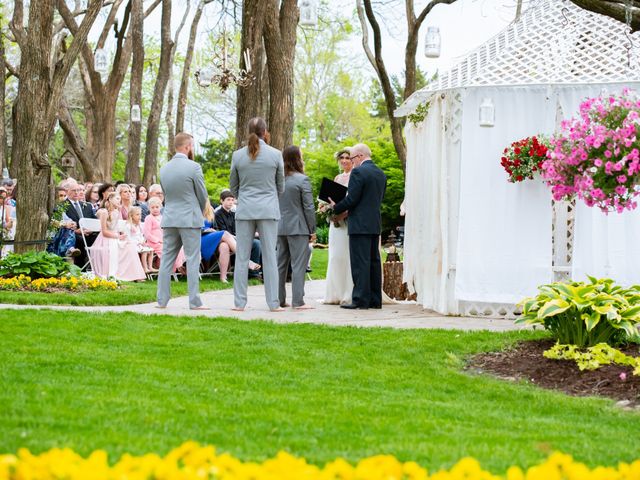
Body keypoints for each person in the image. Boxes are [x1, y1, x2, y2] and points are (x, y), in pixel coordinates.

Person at [229, 117, 285, 311]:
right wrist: (268, 197)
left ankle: (239, 303)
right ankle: (273, 303)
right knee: (270, 257)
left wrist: (244, 196)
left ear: (248, 132)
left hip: (245, 209)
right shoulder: (276, 154)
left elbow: (233, 187)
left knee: (242, 257)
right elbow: (281, 186)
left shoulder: (237, 156)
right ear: (265, 131)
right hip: (268, 209)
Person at [329, 143, 387, 310]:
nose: (351, 162)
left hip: (359, 224)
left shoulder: (358, 172)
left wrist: (335, 206)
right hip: (374, 223)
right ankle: (375, 300)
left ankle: (360, 299)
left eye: (352, 158)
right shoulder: (380, 173)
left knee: (360, 262)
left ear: (360, 156)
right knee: (374, 262)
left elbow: (352, 199)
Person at [156, 132, 209, 310]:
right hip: (189, 218)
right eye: (191, 145)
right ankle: (194, 301)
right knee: (193, 259)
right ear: (187, 146)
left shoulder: (164, 168)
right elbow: (202, 194)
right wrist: (200, 210)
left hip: (170, 217)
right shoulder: (194, 167)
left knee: (166, 259)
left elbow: (166, 194)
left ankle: (162, 300)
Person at [277, 145, 316, 309]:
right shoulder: (302, 179)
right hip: (298, 227)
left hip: (280, 227)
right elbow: (309, 207)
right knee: (299, 265)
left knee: (280, 265)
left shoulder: (277, 180)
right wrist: (312, 229)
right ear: (297, 158)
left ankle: (278, 300)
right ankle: (298, 301)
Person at [89, 192, 146, 281]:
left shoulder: (117, 211)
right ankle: (118, 273)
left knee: (130, 246)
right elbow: (104, 232)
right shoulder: (104, 212)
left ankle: (134, 275)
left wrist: (122, 236)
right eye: (117, 199)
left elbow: (117, 228)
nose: (119, 201)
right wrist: (117, 236)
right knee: (120, 248)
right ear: (110, 199)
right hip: (106, 239)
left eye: (120, 199)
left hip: (115, 237)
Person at [323, 149, 355, 305]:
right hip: (335, 224)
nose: (344, 160)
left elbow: (354, 201)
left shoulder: (356, 176)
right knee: (335, 256)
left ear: (352, 160)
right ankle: (335, 292)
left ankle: (348, 293)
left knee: (346, 257)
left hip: (347, 223)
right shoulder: (337, 177)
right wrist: (325, 208)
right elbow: (330, 199)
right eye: (341, 158)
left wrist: (342, 214)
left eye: (347, 158)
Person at [202, 201, 260, 283]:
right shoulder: (192, 209)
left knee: (224, 246)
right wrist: (204, 229)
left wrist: (213, 230)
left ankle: (223, 277)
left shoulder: (210, 210)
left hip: (212, 237)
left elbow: (215, 227)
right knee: (225, 233)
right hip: (200, 238)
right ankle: (246, 261)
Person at [214, 189, 262, 278]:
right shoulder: (217, 214)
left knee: (257, 243)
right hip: (223, 241)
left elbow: (239, 229)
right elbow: (221, 232)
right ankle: (251, 272)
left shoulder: (233, 214)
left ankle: (254, 273)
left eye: (232, 200)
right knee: (255, 243)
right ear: (221, 201)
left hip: (236, 239)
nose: (231, 202)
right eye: (228, 200)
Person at [143, 197, 186, 272]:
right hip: (154, 243)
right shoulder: (149, 218)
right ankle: (176, 268)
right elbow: (147, 234)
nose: (155, 209)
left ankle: (180, 266)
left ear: (161, 207)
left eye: (157, 207)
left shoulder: (163, 217)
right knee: (169, 250)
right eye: (152, 207)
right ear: (149, 208)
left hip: (164, 240)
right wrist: (158, 240)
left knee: (179, 247)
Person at [65, 182, 98, 267]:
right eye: (74, 190)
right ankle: (80, 268)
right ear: (67, 191)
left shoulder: (87, 206)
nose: (77, 192)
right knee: (79, 240)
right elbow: (61, 224)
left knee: (101, 238)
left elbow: (95, 222)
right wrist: (76, 231)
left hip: (89, 234)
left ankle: (99, 267)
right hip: (74, 236)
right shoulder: (62, 206)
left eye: (78, 190)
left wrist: (91, 229)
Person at [124, 206, 156, 274]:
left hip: (140, 244)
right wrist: (136, 243)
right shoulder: (129, 225)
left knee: (151, 250)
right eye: (137, 214)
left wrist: (143, 241)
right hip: (133, 244)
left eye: (140, 214)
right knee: (144, 251)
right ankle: (145, 268)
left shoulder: (139, 225)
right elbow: (127, 237)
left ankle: (150, 267)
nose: (140, 216)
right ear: (131, 216)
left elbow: (141, 235)